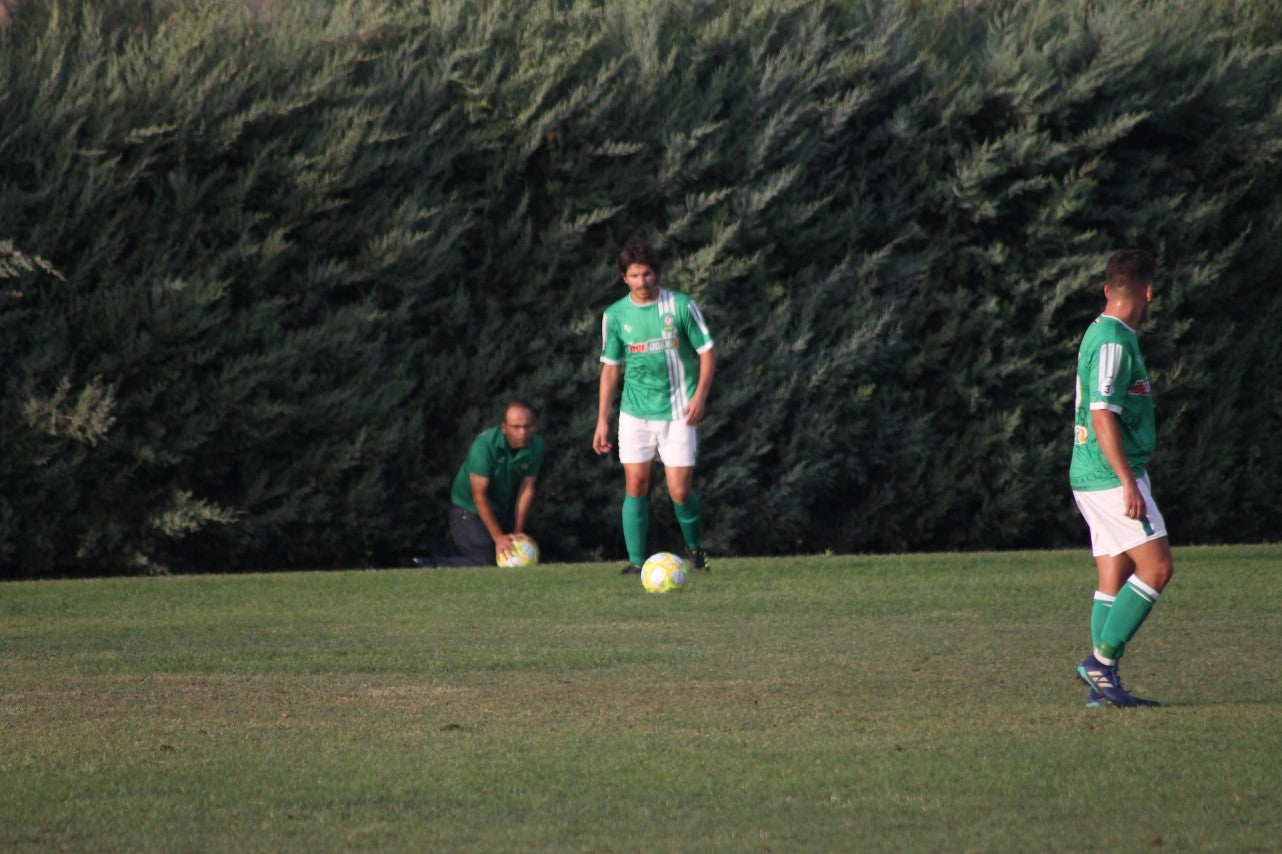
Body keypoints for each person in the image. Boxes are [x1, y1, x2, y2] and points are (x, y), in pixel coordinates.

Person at [1070, 249, 1174, 708]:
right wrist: (1128, 482)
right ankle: (1101, 663)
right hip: (1110, 476)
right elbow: (1102, 416)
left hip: (1090, 473)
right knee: (1157, 567)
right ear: (1148, 292)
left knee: (1114, 574)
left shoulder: (1102, 332)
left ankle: (1101, 691)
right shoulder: (1113, 341)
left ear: (1108, 289)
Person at [593, 236, 716, 574]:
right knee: (635, 485)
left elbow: (707, 352)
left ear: (657, 274)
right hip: (635, 414)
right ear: (624, 278)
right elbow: (611, 368)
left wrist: (700, 396)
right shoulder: (615, 315)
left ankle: (695, 552)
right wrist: (603, 419)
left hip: (678, 412)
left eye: (647, 274)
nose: (642, 282)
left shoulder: (680, 306)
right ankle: (635, 563)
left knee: (679, 491)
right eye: (634, 275)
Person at [432, 401, 544, 567]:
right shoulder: (484, 447)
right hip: (468, 509)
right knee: (486, 560)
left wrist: (518, 531)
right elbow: (478, 496)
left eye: (527, 427)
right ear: (504, 428)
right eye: (516, 427)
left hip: (499, 509)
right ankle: (426, 563)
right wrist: (498, 538)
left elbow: (527, 490)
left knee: (513, 552)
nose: (522, 433)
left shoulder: (536, 445)